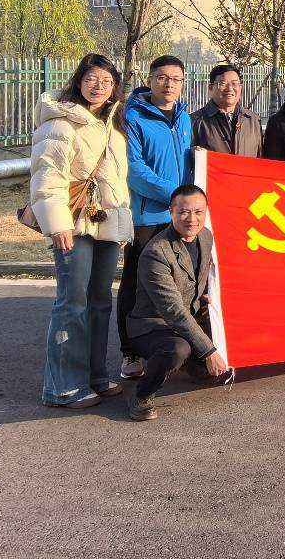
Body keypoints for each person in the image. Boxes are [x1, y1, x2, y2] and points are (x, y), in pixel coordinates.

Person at [31, 54, 133, 408]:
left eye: (106, 81)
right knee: (72, 303)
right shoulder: (61, 122)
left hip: (106, 224)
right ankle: (63, 387)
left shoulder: (112, 123)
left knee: (100, 302)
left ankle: (95, 376)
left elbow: (117, 182)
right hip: (73, 224)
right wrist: (57, 224)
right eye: (91, 79)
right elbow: (47, 175)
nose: (98, 86)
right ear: (78, 81)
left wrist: (122, 226)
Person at [117, 55, 193, 381]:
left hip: (179, 217)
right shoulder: (133, 116)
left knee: (175, 284)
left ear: (182, 83)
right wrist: (177, 195)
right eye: (162, 77)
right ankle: (130, 352)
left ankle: (169, 346)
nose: (168, 84)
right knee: (136, 284)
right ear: (149, 80)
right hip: (148, 216)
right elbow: (135, 171)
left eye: (175, 79)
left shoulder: (184, 117)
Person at [126, 185, 230, 422]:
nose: (192, 219)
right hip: (153, 325)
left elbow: (199, 278)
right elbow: (173, 311)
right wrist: (209, 351)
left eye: (198, 212)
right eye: (184, 212)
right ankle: (141, 395)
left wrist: (207, 298)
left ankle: (189, 364)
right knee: (177, 350)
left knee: (210, 366)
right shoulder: (156, 252)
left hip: (189, 318)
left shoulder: (206, 236)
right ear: (171, 211)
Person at [190, 63, 262, 157]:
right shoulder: (195, 121)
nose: (230, 88)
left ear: (240, 87)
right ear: (211, 88)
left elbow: (261, 158)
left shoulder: (253, 120)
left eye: (234, 83)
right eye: (223, 83)